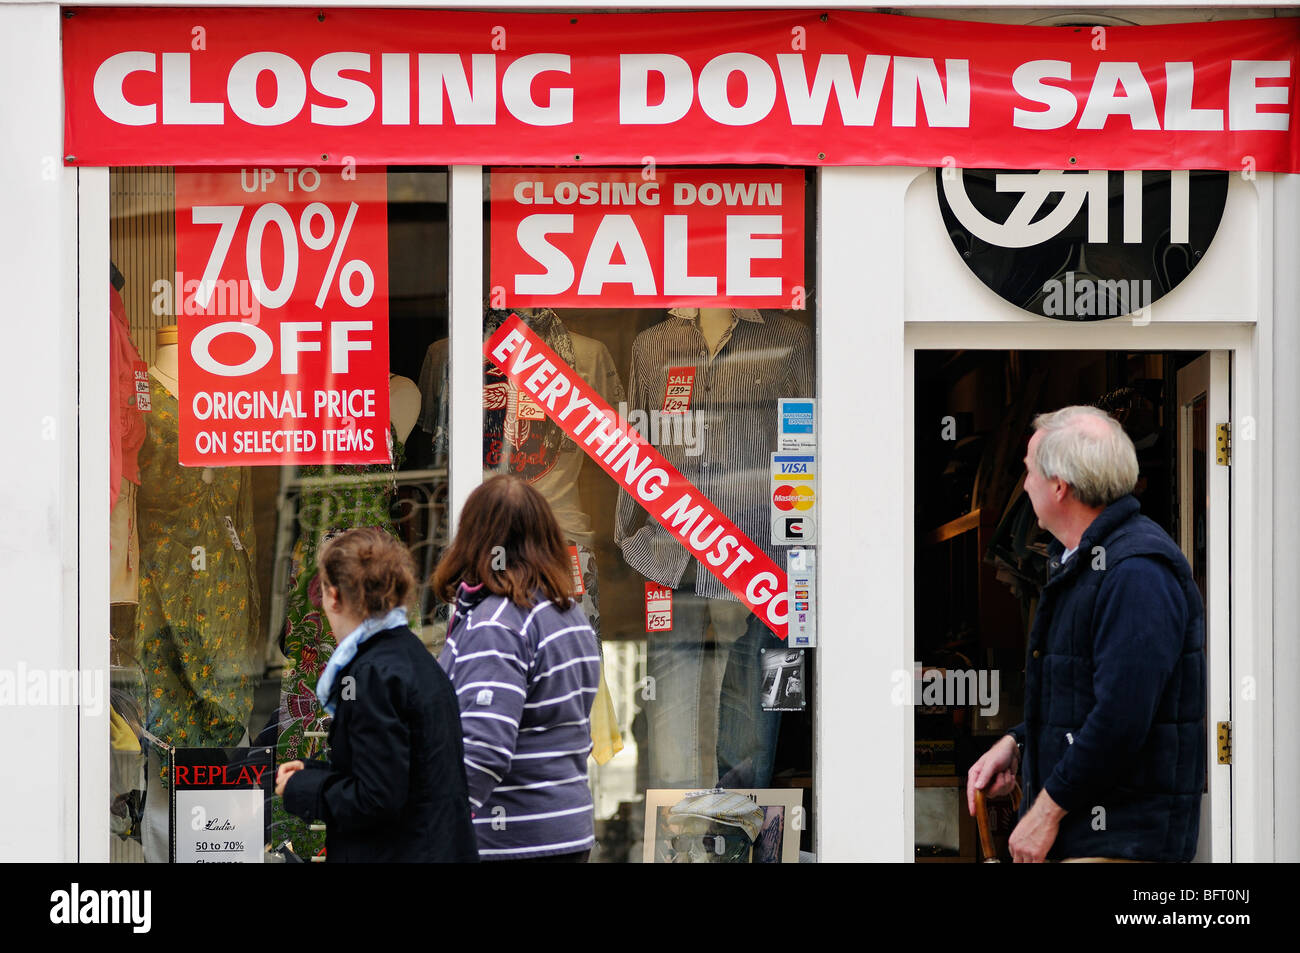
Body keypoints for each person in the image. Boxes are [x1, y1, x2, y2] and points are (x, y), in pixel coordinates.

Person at [966, 405, 1205, 862]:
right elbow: (1084, 700)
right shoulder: (1083, 559)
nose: (1026, 483)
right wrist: (1017, 743)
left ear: (1059, 486)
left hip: (1116, 847)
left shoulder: (1135, 571)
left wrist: (1045, 813)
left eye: (1030, 470)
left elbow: (1120, 719)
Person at [275, 527, 477, 862]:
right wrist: (313, 773)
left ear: (334, 595)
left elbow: (377, 799)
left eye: (321, 590)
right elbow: (397, 775)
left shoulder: (373, 674)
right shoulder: (410, 657)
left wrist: (303, 789)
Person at [432, 475, 601, 861]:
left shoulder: (499, 622)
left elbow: (484, 748)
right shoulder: (568, 613)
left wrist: (436, 829)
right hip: (567, 829)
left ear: (473, 538)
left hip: (512, 841)